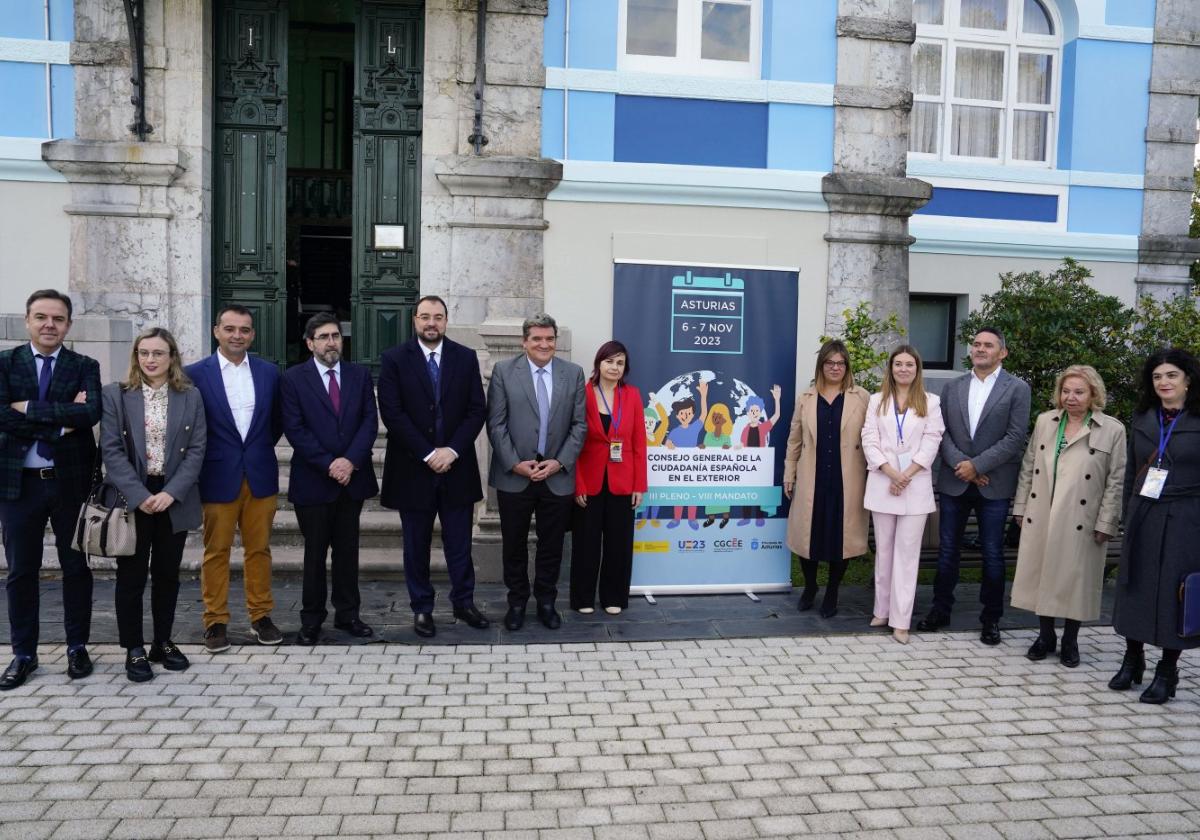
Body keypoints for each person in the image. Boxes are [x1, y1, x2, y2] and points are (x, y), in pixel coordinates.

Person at [0, 290, 102, 691]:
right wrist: (61, 423)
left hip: (70, 483)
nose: (49, 325)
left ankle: (78, 646)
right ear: (27, 320)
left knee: (76, 567)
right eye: (41, 317)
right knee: (21, 571)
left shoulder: (84, 365)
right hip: (18, 484)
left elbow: (90, 412)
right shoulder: (5, 364)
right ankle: (24, 653)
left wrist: (25, 407)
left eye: (57, 319)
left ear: (68, 325)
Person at [379, 295, 489, 638]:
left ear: (445, 320)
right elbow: (392, 412)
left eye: (438, 317)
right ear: (414, 320)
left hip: (456, 468)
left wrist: (452, 450)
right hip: (413, 469)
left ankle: (463, 602)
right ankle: (422, 609)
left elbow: (476, 410)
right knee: (416, 546)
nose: (431, 323)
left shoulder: (465, 357)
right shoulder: (395, 359)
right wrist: (429, 453)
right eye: (425, 317)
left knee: (460, 544)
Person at [99, 328, 206, 681]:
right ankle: (133, 648)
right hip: (133, 496)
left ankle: (163, 641)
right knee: (130, 577)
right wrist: (141, 496)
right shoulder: (116, 395)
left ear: (172, 357)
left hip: (173, 496)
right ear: (136, 356)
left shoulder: (190, 396)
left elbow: (196, 451)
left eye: (158, 353)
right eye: (144, 353)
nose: (150, 359)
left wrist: (171, 493)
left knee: (166, 575)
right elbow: (111, 451)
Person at [918, 327, 1030, 645]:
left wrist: (977, 466)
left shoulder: (1017, 388)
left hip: (993, 483)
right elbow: (943, 433)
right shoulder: (952, 387)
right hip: (955, 481)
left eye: (988, 345)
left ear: (1002, 353)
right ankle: (941, 610)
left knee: (993, 553)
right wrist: (964, 468)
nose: (980, 349)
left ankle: (991, 618)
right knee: (947, 552)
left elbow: (1015, 437)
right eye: (977, 344)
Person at [1010, 365, 1125, 669]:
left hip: (1081, 517)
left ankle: (1070, 640)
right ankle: (1045, 635)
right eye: (1066, 391)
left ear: (1093, 395)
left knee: (1075, 578)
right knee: (1042, 574)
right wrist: (1020, 507)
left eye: (1079, 392)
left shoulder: (1112, 429)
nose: (1071, 398)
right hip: (1043, 510)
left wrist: (1106, 522)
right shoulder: (1046, 421)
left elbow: (1116, 480)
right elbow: (1028, 466)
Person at [185, 305, 284, 652]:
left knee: (259, 550)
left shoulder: (270, 373)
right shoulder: (195, 374)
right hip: (217, 475)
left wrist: (253, 452)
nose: (237, 335)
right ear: (216, 331)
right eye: (230, 329)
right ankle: (215, 621)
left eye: (244, 330)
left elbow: (275, 423)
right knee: (217, 552)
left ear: (252, 334)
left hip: (259, 473)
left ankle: (261, 616)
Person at [281, 313, 379, 645]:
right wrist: (329, 464)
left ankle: (348, 614)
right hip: (313, 480)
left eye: (335, 335)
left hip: (352, 479)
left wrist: (350, 461)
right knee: (315, 553)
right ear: (310, 343)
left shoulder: (359, 375)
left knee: (348, 551)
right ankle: (311, 619)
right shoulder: (293, 379)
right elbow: (295, 429)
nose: (331, 342)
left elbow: (369, 422)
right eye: (323, 336)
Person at [1110, 348, 1200, 704]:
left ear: (1188, 379)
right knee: (1136, 584)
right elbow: (1134, 468)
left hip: (1187, 517)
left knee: (1173, 593)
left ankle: (1168, 670)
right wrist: (1127, 512)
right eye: (1158, 376)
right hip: (1144, 512)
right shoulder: (1144, 416)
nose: (1164, 382)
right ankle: (1133, 658)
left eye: (1172, 375)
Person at [487, 313, 586, 631]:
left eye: (550, 339)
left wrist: (559, 462)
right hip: (515, 475)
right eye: (537, 339)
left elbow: (579, 424)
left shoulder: (573, 373)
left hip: (556, 476)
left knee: (552, 545)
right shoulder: (504, 371)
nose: (544, 344)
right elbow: (496, 423)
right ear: (524, 341)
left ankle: (546, 602)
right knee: (513, 543)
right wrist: (514, 462)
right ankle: (516, 602)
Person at [861, 345, 945, 644]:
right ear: (891, 368)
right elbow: (868, 439)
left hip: (914, 485)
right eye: (898, 364)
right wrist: (890, 472)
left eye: (909, 364)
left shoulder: (931, 402)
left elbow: (932, 440)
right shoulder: (876, 401)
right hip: (884, 482)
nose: (904, 369)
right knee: (884, 551)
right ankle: (882, 610)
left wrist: (906, 474)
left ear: (917, 368)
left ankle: (901, 620)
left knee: (907, 556)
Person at [784, 340, 870, 618]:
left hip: (848, 480)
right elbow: (794, 439)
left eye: (841, 363)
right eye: (830, 363)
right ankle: (810, 587)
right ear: (821, 365)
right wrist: (789, 473)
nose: (836, 368)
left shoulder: (862, 397)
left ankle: (832, 591)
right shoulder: (806, 398)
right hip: (812, 478)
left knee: (840, 539)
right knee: (807, 537)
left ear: (847, 366)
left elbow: (873, 439)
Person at [571, 341, 647, 615]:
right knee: (586, 542)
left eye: (620, 363)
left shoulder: (633, 396)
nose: (614, 367)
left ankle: (614, 596)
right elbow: (574, 444)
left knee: (619, 543)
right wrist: (577, 483)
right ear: (598, 363)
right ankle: (582, 598)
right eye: (609, 361)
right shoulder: (583, 394)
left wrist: (640, 484)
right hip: (588, 482)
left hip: (623, 481)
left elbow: (639, 443)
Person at [736, 385, 782, 526]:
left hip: (760, 466)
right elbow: (742, 445)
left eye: (757, 410)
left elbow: (777, 416)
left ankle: (759, 517)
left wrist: (777, 399)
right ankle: (746, 517)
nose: (754, 412)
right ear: (748, 413)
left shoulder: (763, 427)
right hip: (748, 466)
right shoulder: (745, 429)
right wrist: (737, 448)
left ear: (760, 412)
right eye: (752, 410)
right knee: (747, 491)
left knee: (760, 491)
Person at [700, 402, 733, 528]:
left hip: (723, 473)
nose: (717, 419)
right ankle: (711, 518)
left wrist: (727, 448)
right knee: (710, 496)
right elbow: (705, 448)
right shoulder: (708, 435)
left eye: (720, 417)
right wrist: (702, 447)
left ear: (725, 419)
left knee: (724, 495)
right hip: (710, 473)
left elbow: (730, 451)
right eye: (715, 416)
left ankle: (725, 518)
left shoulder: (727, 436)